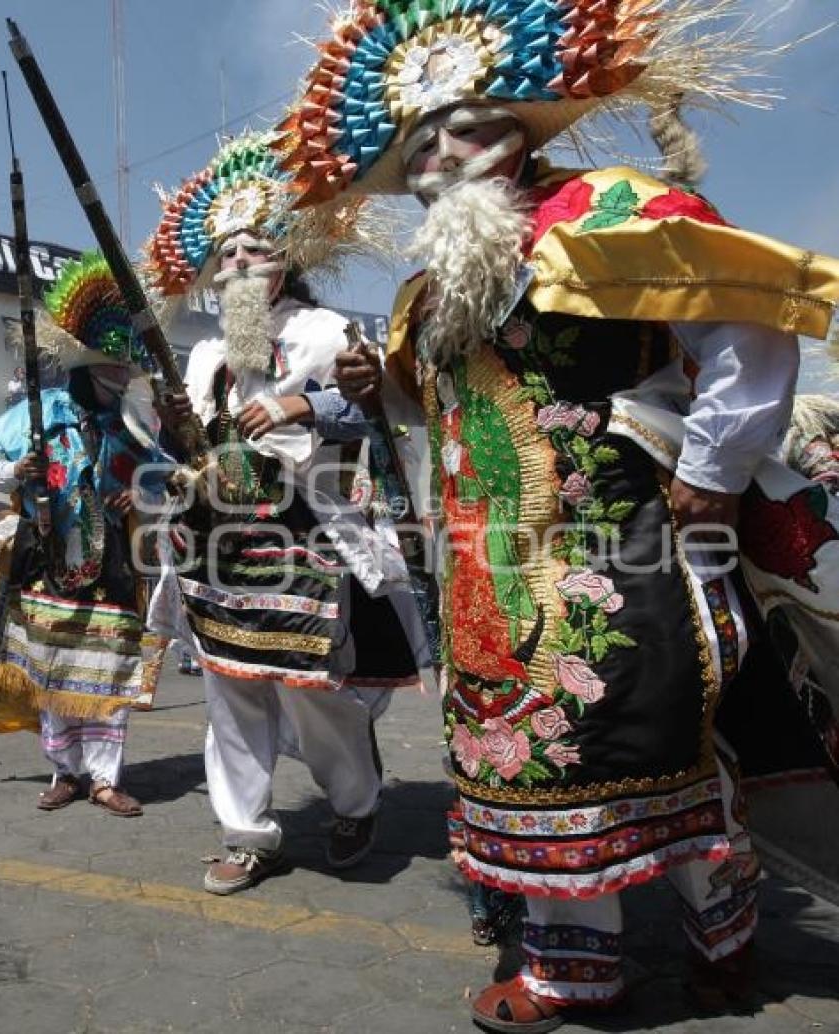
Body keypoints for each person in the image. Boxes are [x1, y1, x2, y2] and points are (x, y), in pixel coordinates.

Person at [279, 3, 839, 1029]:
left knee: (655, 739)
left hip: (625, 544)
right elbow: (435, 406)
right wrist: (376, 385)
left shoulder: (604, 207)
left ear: (523, 125)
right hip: (485, 568)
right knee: (518, 750)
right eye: (422, 141)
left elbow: (748, 320)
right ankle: (577, 963)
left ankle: (723, 934)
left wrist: (713, 468)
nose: (448, 146)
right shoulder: (420, 292)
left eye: (473, 120)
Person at [146, 131, 423, 895]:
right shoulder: (204, 356)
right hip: (215, 544)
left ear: (288, 260)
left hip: (305, 536)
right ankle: (246, 833)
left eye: (257, 251)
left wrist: (309, 402)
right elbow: (197, 448)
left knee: (312, 689)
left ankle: (354, 802)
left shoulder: (325, 334)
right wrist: (180, 428)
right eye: (228, 254)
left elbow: (382, 416)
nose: (239, 264)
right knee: (229, 691)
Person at [0, 253, 167, 816]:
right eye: (114, 369)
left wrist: (138, 495)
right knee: (51, 665)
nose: (123, 379)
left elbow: (168, 480)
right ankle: (65, 771)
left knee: (108, 667)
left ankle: (105, 778)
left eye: (126, 370)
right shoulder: (36, 416)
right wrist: (18, 474)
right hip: (46, 558)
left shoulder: (132, 427)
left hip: (112, 564)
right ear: (88, 369)